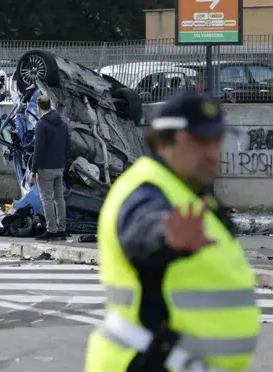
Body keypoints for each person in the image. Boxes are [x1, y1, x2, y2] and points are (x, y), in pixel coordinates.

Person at [85, 91, 260, 372]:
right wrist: (166, 238)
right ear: (162, 143)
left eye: (216, 141)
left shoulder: (189, 194)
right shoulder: (146, 191)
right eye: (198, 142)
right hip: (150, 362)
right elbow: (143, 229)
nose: (212, 153)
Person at [29, 95, 69, 241]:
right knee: (59, 198)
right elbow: (67, 145)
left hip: (46, 168)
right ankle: (62, 230)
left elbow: (38, 149)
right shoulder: (62, 124)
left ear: (39, 107)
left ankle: (51, 230)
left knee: (47, 198)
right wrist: (63, 163)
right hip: (59, 166)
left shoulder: (41, 124)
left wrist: (33, 171)